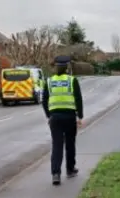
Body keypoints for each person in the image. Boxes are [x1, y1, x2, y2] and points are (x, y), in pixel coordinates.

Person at [42, 55, 84, 186]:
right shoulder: (72, 81)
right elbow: (78, 99)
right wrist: (80, 116)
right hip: (70, 117)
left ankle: (56, 174)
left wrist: (49, 116)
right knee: (70, 144)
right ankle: (70, 169)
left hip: (55, 118)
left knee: (57, 145)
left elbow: (44, 100)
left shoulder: (49, 81)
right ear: (67, 67)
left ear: (55, 67)